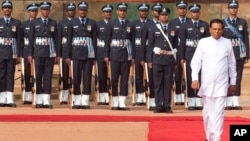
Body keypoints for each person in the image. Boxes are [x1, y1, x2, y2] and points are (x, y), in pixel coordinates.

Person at [191, 18, 236, 141]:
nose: (217, 31)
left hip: (222, 83)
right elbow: (196, 62)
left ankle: (217, 138)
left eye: (219, 29)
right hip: (207, 83)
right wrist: (195, 78)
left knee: (219, 113)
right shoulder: (203, 42)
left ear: (223, 30)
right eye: (214, 29)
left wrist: (233, 82)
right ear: (210, 29)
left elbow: (232, 64)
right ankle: (209, 137)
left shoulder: (227, 43)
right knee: (208, 113)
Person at [66, 1, 97, 109]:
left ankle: (85, 102)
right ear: (78, 11)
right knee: (76, 78)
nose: (82, 12)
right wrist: (67, 56)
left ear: (87, 11)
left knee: (87, 78)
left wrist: (95, 57)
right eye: (81, 10)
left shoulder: (92, 23)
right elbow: (68, 40)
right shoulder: (72, 23)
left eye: (84, 10)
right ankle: (77, 101)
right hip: (76, 54)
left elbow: (94, 41)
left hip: (88, 55)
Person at [179, 4, 210, 110]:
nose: (195, 14)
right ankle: (191, 100)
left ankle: (199, 100)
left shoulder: (205, 25)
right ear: (190, 13)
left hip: (202, 56)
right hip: (189, 55)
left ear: (199, 13)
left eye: (197, 12)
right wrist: (181, 57)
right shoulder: (185, 25)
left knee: (201, 77)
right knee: (190, 78)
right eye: (193, 12)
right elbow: (182, 43)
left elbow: (207, 42)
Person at [147, 7, 178, 113]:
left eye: (166, 15)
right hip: (157, 60)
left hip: (169, 60)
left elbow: (175, 46)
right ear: (159, 16)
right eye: (162, 15)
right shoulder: (153, 28)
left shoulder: (173, 28)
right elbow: (150, 46)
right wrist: (150, 60)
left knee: (168, 84)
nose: (164, 16)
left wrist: (175, 60)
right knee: (158, 83)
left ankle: (167, 105)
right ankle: (159, 105)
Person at [29, 1, 58, 109]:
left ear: (49, 11)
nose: (45, 11)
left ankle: (46, 100)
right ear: (40, 10)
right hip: (38, 53)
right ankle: (38, 100)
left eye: (47, 9)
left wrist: (56, 54)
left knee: (48, 77)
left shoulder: (53, 23)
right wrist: (30, 54)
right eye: (44, 9)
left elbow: (56, 39)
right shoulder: (34, 22)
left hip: (49, 53)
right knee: (38, 77)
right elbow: (31, 39)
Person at [223, 0, 249, 110]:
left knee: (238, 77)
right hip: (227, 54)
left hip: (239, 53)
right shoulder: (223, 23)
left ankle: (236, 101)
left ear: (237, 9)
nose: (233, 9)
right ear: (228, 9)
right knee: (228, 77)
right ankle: (228, 101)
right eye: (231, 8)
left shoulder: (242, 22)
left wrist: (247, 55)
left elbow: (246, 39)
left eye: (235, 8)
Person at [108, 2, 134, 110]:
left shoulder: (130, 24)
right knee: (114, 79)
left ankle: (122, 102)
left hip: (126, 56)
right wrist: (106, 55)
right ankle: (114, 102)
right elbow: (107, 41)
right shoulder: (111, 24)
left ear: (126, 12)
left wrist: (133, 56)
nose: (122, 12)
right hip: (114, 55)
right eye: (120, 10)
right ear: (117, 11)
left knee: (124, 79)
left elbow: (132, 41)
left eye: (124, 10)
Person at [141, 2, 163, 111]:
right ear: (152, 12)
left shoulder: (165, 24)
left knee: (160, 81)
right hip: (151, 57)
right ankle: (153, 102)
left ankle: (160, 102)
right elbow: (144, 43)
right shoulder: (148, 25)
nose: (158, 13)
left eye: (160, 11)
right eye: (156, 11)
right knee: (152, 80)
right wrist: (145, 58)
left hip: (162, 57)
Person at [0, 0, 21, 108]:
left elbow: (18, 40)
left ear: (11, 9)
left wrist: (18, 55)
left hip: (12, 53)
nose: (7, 9)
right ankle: (2, 98)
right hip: (1, 53)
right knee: (1, 75)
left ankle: (10, 98)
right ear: (2, 9)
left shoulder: (17, 23)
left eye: (9, 7)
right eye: (5, 7)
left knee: (10, 75)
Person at [169, 0, 190, 105]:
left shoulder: (190, 22)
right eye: (180, 8)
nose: (182, 10)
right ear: (177, 10)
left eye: (184, 8)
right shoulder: (172, 23)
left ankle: (190, 97)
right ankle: (178, 96)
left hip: (188, 52)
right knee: (177, 76)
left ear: (186, 10)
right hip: (176, 52)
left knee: (189, 75)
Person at [57, 2, 76, 105]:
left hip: (76, 50)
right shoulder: (62, 23)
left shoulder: (78, 22)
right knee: (64, 74)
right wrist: (59, 54)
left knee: (75, 74)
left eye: (73, 10)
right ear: (67, 11)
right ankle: (64, 96)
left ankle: (74, 94)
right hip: (64, 50)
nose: (71, 12)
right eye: (69, 10)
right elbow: (59, 39)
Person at [20, 3, 39, 105]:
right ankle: (27, 95)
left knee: (38, 73)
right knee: (27, 74)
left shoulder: (40, 23)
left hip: (38, 51)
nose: (34, 13)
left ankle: (37, 94)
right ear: (29, 12)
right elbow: (21, 40)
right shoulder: (23, 25)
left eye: (35, 11)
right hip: (26, 51)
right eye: (32, 11)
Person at [132, 3, 150, 106]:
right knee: (138, 76)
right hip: (138, 53)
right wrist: (133, 56)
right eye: (142, 11)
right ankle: (140, 97)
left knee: (149, 76)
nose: (144, 12)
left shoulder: (151, 24)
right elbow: (132, 41)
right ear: (139, 12)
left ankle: (150, 96)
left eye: (145, 10)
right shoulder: (134, 24)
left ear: (148, 12)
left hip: (148, 53)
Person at [96, 4, 113, 105]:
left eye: (109, 12)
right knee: (102, 76)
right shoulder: (98, 24)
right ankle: (102, 96)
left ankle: (111, 95)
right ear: (103, 13)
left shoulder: (115, 23)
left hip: (113, 52)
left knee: (112, 76)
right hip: (100, 52)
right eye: (106, 12)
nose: (108, 13)